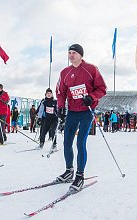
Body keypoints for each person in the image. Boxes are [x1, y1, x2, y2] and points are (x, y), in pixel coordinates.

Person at [56, 44, 107, 191]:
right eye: (69, 53)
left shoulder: (91, 69)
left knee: (80, 142)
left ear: (80, 55)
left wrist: (91, 97)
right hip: (72, 111)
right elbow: (60, 92)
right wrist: (60, 107)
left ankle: (80, 175)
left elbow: (102, 88)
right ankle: (69, 171)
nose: (71, 55)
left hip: (86, 111)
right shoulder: (64, 72)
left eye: (74, 53)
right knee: (67, 142)